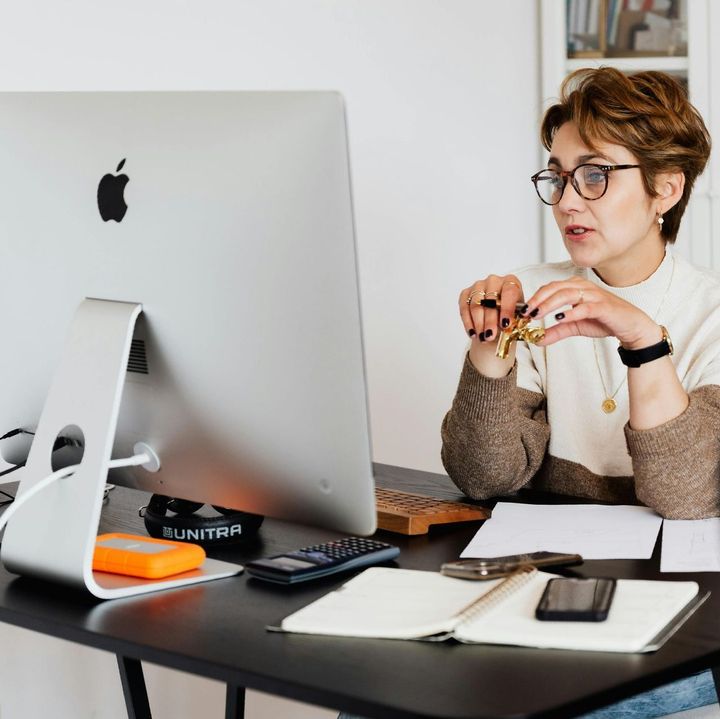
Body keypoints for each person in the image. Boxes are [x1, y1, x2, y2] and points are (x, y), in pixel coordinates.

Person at [439, 67, 718, 718]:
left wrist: (643, 340)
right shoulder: (533, 294)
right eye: (558, 176)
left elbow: (687, 497)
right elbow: (484, 475)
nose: (568, 200)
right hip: (544, 591)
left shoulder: (709, 313)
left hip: (682, 613)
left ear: (665, 189)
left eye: (594, 174)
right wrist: (488, 351)